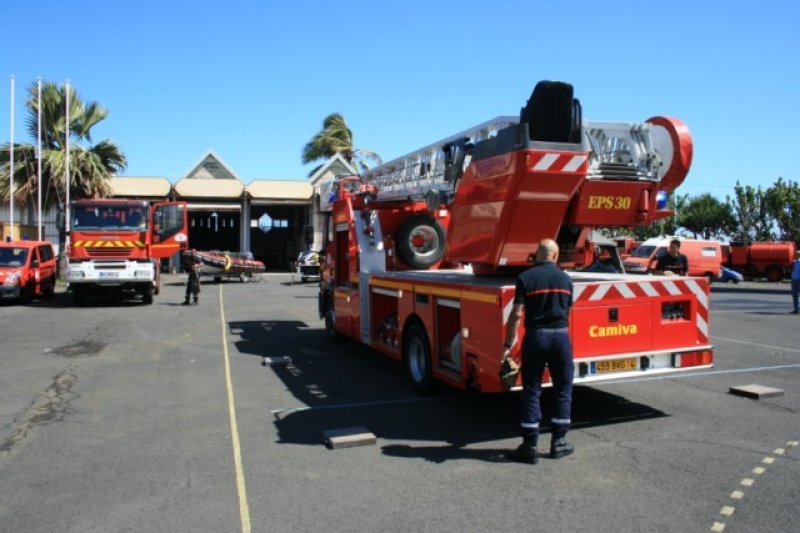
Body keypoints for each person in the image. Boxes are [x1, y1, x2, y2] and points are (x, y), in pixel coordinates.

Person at [503, 238, 575, 464]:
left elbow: (516, 314)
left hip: (536, 337)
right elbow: (568, 312)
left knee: (532, 389)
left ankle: (530, 446)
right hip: (561, 336)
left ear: (537, 254)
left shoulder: (525, 278)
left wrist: (508, 344)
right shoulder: (566, 279)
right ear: (555, 255)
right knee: (563, 388)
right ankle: (559, 442)